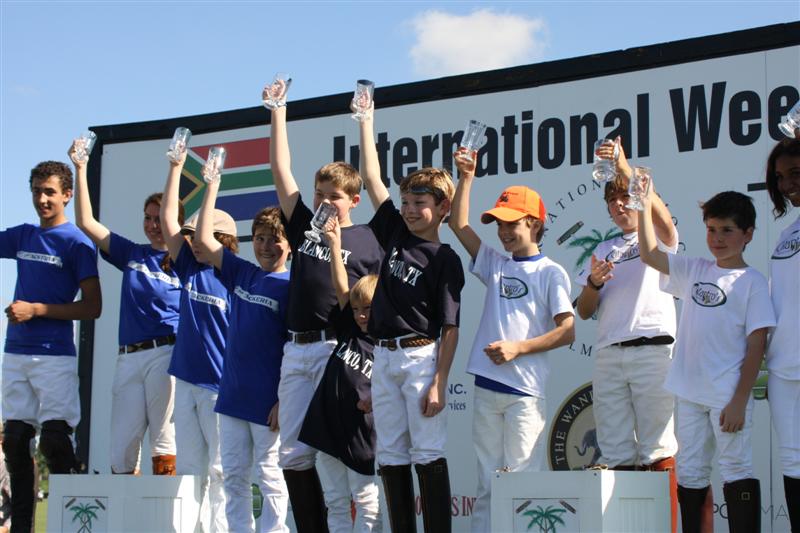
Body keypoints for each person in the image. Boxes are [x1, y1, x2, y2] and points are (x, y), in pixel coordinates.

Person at [268, 83, 383, 532]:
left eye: (333, 196)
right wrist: (278, 110)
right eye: (319, 193)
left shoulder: (369, 239)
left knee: (341, 455)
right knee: (293, 454)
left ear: (353, 200)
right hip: (295, 349)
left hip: (339, 351)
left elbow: (368, 302)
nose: (324, 202)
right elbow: (280, 170)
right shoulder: (304, 228)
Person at [449, 149, 575, 533]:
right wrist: (465, 178)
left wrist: (518, 348)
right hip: (487, 386)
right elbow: (458, 224)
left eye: (511, 223)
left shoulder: (551, 272)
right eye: (499, 224)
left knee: (521, 483)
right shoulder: (495, 263)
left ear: (535, 224)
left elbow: (568, 330)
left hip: (524, 392)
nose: (503, 232)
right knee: (488, 482)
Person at [638, 185, 774, 533]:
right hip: (688, 392)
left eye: (727, 230)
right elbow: (650, 254)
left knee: (736, 469)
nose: (717, 238)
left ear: (748, 234)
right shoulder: (695, 269)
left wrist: (740, 400)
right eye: (711, 229)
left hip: (727, 395)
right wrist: (642, 204)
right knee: (691, 472)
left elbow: (757, 344)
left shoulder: (753, 282)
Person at [360, 101, 465, 533]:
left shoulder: (445, 257)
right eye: (404, 201)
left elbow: (450, 327)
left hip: (421, 356)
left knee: (427, 451)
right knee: (390, 454)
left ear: (442, 207)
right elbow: (371, 178)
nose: (408, 209)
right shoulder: (395, 234)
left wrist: (440, 380)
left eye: (418, 202)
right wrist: (365, 120)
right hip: (383, 356)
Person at [573, 140, 683, 532]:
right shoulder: (603, 249)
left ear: (638, 198)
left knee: (657, 447)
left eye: (626, 198)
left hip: (654, 350)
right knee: (616, 448)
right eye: (612, 201)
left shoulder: (658, 239)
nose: (619, 206)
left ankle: (664, 526)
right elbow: (584, 310)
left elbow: (661, 217)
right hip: (609, 354)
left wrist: (623, 165)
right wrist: (593, 283)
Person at [1, 159, 101, 533]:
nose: (42, 199)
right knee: (14, 442)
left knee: (56, 443)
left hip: (54, 355)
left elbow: (93, 307)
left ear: (67, 195)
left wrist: (36, 309)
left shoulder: (77, 243)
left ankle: (69, 526)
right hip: (15, 352)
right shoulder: (23, 236)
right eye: (36, 192)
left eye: (50, 192)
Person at [70, 140, 180, 477]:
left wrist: (175, 166)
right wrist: (80, 167)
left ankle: (164, 509)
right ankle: (127, 506)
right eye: (147, 218)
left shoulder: (185, 261)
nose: (152, 225)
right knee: (120, 450)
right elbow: (86, 222)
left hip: (166, 354)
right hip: (128, 356)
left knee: (163, 441)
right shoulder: (132, 253)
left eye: (159, 218)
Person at [193, 176, 291, 533]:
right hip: (232, 397)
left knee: (269, 476)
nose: (266, 246)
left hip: (267, 403)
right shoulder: (243, 273)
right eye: (260, 238)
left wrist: (283, 399)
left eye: (275, 239)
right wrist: (211, 187)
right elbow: (204, 240)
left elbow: (295, 349)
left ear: (290, 244)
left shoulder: (293, 287)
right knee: (233, 475)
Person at [161, 152, 236, 532]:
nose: (191, 241)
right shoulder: (189, 268)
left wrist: (212, 187)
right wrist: (175, 168)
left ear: (222, 240)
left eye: (200, 235)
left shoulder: (236, 277)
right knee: (190, 471)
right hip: (186, 383)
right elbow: (167, 220)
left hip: (219, 388)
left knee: (221, 471)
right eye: (189, 236)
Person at [299, 217, 382, 533]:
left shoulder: (387, 345)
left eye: (369, 309)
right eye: (357, 309)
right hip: (327, 423)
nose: (361, 315)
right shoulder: (350, 328)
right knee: (335, 501)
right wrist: (335, 246)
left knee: (366, 501)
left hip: (359, 433)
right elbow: (342, 287)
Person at [764, 137, 800, 531]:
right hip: (784, 368)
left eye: (796, 173)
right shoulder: (786, 234)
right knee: (793, 463)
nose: (787, 184)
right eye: (780, 177)